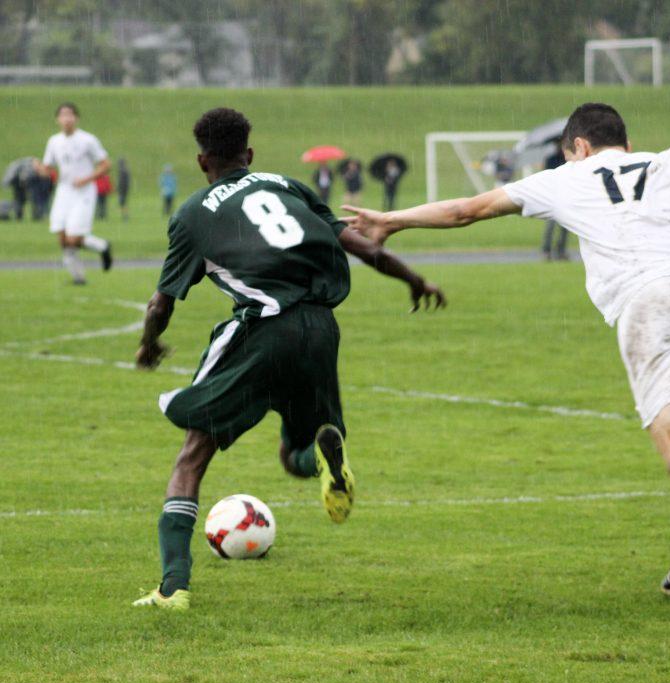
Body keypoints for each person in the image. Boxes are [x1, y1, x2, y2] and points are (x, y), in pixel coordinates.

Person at [343, 102, 670, 599]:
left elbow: (465, 211)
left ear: (579, 148)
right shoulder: (666, 160)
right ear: (624, 144)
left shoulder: (565, 178)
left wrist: (392, 219)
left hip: (653, 305)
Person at [132, 108, 445, 611]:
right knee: (292, 456)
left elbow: (160, 303)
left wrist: (149, 343)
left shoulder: (191, 215)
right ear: (249, 155)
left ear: (201, 160)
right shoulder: (287, 185)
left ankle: (172, 589)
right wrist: (414, 280)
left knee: (193, 454)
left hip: (262, 329)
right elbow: (361, 246)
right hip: (320, 329)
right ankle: (321, 453)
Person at [34, 102, 113, 284]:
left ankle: (102, 246)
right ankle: (78, 278)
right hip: (64, 192)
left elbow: (106, 164)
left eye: (70, 115)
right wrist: (39, 168)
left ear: (76, 118)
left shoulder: (87, 140)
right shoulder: (54, 141)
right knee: (62, 238)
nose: (67, 118)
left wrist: (86, 178)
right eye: (63, 115)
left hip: (84, 192)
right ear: (58, 119)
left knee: (73, 238)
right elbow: (48, 170)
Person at [540, 144, 568, 261]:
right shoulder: (551, 159)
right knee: (551, 226)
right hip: (553, 197)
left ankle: (560, 250)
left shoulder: (567, 160)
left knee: (565, 227)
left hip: (565, 197)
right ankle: (547, 250)